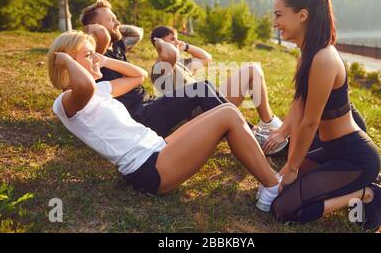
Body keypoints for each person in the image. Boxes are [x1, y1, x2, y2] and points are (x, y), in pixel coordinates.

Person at [47, 30, 281, 212]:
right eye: (89, 55)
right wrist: (65, 60)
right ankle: (272, 186)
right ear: (68, 62)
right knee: (228, 114)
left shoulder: (100, 90)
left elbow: (138, 75)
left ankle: (267, 177)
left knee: (226, 109)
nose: (97, 58)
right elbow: (84, 86)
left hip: (158, 147)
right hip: (149, 168)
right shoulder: (67, 101)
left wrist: (104, 61)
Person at [263, 0, 381, 231]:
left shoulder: (323, 58)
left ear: (302, 15)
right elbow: (298, 109)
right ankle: (358, 183)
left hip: (355, 157)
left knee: (283, 210)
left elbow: (310, 123)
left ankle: (370, 193)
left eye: (279, 15)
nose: (274, 23)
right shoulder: (306, 56)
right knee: (282, 192)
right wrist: (287, 163)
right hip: (331, 151)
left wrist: (292, 168)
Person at [79, 0, 237, 138]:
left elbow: (136, 33)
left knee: (206, 85)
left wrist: (112, 25)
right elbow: (99, 37)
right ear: (96, 28)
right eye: (111, 20)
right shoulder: (97, 53)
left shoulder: (118, 47)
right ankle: (244, 131)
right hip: (139, 116)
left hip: (149, 104)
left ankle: (248, 130)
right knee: (200, 88)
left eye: (116, 18)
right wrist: (91, 30)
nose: (118, 23)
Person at [149, 25, 283, 133]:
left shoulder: (182, 64)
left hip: (209, 103)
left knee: (252, 69)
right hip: (194, 116)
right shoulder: (160, 69)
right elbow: (170, 55)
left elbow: (206, 58)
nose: (177, 42)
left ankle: (268, 122)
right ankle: (253, 129)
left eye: (177, 38)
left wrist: (186, 47)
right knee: (250, 70)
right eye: (172, 39)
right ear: (159, 44)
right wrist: (160, 44)